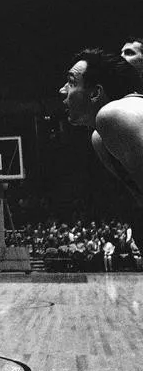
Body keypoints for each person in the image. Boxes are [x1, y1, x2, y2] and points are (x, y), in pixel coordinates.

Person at [59, 48, 143, 242]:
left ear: (96, 92)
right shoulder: (101, 138)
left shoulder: (115, 114)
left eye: (71, 82)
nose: (62, 90)